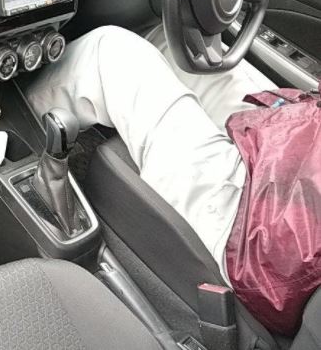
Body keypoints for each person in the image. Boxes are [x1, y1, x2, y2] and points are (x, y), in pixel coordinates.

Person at [26, 24, 320, 335]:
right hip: (292, 156)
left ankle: (10, 127)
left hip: (267, 232)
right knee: (171, 39)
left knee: (107, 51)